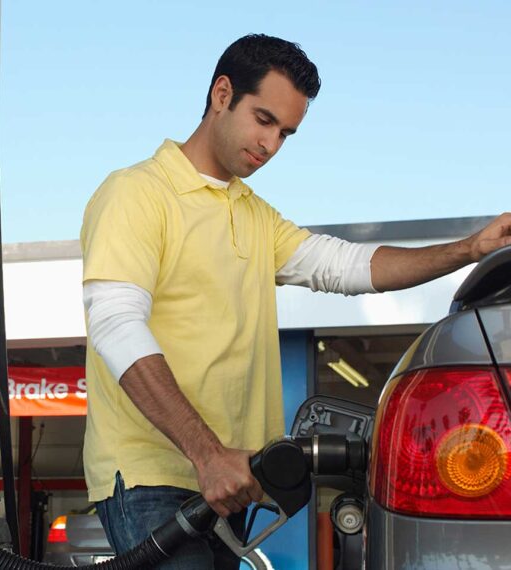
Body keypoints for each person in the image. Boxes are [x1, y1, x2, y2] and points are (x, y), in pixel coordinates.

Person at [80, 34, 511, 569]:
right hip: (156, 477)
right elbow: (115, 325)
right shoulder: (137, 193)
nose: (270, 145)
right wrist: (207, 453)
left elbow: (347, 266)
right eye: (263, 120)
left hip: (232, 479)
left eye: (286, 133)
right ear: (222, 94)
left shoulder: (255, 215)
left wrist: (470, 249)